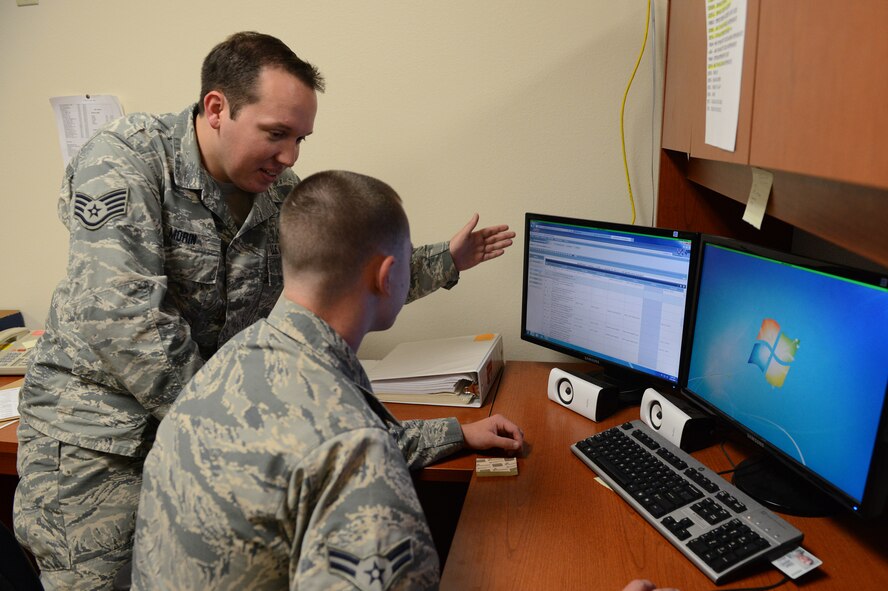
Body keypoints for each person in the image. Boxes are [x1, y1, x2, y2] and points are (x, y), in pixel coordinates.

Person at [14, 32, 515, 591]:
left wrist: (445, 261)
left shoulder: (277, 193)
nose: (291, 156)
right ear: (217, 109)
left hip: (201, 429)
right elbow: (123, 317)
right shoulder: (126, 159)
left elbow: (336, 275)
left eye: (300, 138)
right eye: (277, 134)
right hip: (100, 442)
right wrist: (237, 422)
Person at [130, 171, 676, 591]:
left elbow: (316, 451)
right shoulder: (352, 448)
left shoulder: (230, 363)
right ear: (388, 276)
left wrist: (458, 433)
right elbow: (343, 449)